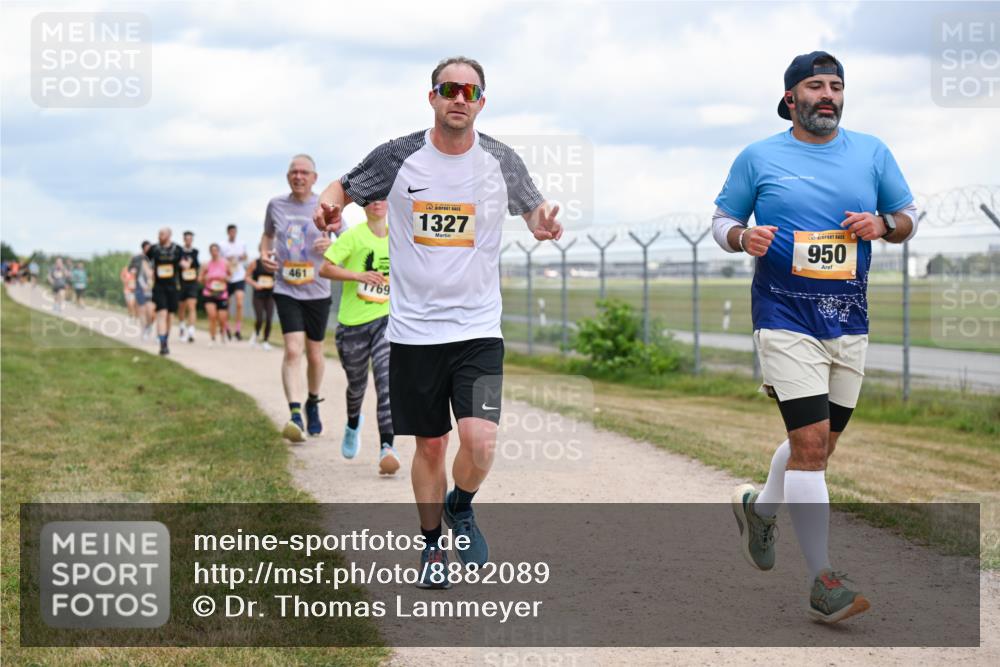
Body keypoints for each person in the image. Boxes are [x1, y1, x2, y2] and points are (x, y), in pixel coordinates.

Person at [314, 56, 562, 588]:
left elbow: (534, 208)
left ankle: (461, 505)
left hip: (479, 330)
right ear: (432, 97)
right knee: (431, 445)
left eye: (470, 92)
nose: (459, 99)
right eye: (450, 89)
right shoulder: (398, 157)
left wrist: (542, 222)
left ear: (481, 102)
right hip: (414, 333)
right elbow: (342, 186)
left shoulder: (502, 160)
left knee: (481, 441)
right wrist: (328, 205)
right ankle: (431, 547)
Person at [714, 51, 918, 624]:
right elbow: (722, 221)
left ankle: (760, 510)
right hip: (783, 316)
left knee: (822, 445)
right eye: (815, 86)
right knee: (808, 446)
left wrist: (884, 224)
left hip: (848, 319)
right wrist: (742, 238)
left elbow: (907, 216)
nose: (827, 95)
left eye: (835, 86)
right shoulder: (758, 156)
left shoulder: (872, 152)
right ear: (790, 99)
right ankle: (823, 580)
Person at [320, 199, 399, 475]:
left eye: (383, 198)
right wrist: (358, 275)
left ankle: (387, 447)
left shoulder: (398, 237)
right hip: (352, 325)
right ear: (363, 206)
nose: (377, 203)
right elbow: (325, 268)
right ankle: (353, 423)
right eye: (371, 199)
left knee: (386, 382)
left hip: (386, 321)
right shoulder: (353, 236)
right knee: (357, 386)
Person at [260, 154, 332, 442]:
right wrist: (264, 254)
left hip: (318, 290)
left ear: (314, 178)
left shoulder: (325, 206)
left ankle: (312, 402)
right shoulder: (276, 205)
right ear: (288, 177)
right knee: (292, 350)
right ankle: (294, 414)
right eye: (294, 172)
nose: (298, 176)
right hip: (286, 288)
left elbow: (346, 240)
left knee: (314, 354)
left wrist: (331, 244)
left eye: (304, 172)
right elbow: (267, 236)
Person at [146, 227, 189, 355]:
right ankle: (162, 344)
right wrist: (149, 272)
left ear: (169, 235)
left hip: (173, 287)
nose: (159, 236)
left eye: (162, 234)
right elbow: (144, 261)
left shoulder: (177, 249)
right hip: (159, 287)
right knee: (162, 314)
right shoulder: (154, 249)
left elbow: (185, 263)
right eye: (159, 234)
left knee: (170, 316)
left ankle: (165, 339)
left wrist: (185, 265)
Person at [199, 243, 232, 346]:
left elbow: (230, 276)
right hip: (209, 293)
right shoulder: (205, 264)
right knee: (212, 316)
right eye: (212, 250)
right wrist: (205, 278)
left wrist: (226, 278)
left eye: (216, 250)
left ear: (219, 251)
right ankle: (212, 338)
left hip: (222, 293)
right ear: (210, 252)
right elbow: (199, 279)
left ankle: (222, 334)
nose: (214, 252)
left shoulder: (225, 263)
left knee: (222, 318)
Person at [220, 224, 248, 341]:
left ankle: (238, 330)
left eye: (234, 232)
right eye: (231, 232)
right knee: (226, 304)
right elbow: (219, 260)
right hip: (227, 277)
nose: (233, 234)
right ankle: (226, 327)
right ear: (228, 232)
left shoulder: (242, 243)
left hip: (239, 276)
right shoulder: (222, 245)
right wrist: (228, 259)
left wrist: (241, 257)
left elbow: (246, 257)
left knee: (239, 303)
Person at [247, 248, 276, 351]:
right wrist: (255, 284)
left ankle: (265, 341)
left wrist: (275, 283)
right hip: (258, 295)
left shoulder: (274, 263)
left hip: (270, 295)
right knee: (260, 318)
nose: (269, 253)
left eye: (270, 250)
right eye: (266, 250)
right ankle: (256, 334)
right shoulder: (255, 263)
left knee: (269, 318)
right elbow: (247, 277)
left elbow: (279, 277)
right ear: (261, 250)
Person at [178, 230, 201, 343]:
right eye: (187, 238)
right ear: (184, 239)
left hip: (192, 282)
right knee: (182, 307)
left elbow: (196, 266)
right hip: (181, 282)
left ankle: (191, 330)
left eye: (190, 239)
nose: (189, 241)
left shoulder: (195, 252)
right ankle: (182, 325)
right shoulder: (179, 252)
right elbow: (182, 265)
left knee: (192, 306)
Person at [130, 241, 155, 338]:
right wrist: (133, 271)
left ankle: (149, 325)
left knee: (151, 311)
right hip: (140, 287)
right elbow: (130, 269)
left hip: (152, 288)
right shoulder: (137, 258)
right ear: (143, 248)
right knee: (142, 310)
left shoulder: (155, 258)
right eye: (147, 248)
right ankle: (144, 330)